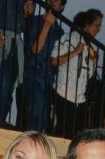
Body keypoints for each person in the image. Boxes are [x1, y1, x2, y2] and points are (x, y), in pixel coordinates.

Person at [51, 9, 103, 138]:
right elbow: (55, 60)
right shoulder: (69, 38)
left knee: (74, 138)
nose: (99, 29)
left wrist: (95, 64)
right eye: (97, 25)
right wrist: (74, 52)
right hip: (62, 94)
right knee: (60, 134)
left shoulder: (92, 48)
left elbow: (88, 76)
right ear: (87, 24)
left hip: (80, 100)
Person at [0, 0, 34, 128]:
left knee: (8, 86)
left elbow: (24, 21)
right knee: (1, 82)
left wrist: (27, 12)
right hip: (0, 34)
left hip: (15, 39)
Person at [24, 0, 65, 132]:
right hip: (33, 76)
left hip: (49, 81)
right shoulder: (35, 21)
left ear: (62, 6)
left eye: (57, 0)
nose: (52, 1)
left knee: (44, 121)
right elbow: (35, 49)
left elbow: (57, 60)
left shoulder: (60, 31)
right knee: (34, 117)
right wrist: (47, 25)